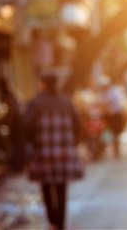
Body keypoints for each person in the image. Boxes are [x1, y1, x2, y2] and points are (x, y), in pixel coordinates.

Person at [24, 73, 84, 230]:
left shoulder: (36, 103)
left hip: (43, 153)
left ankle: (53, 222)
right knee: (61, 188)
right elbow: (78, 124)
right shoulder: (66, 101)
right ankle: (61, 223)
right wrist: (71, 142)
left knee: (46, 188)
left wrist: (35, 142)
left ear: (43, 83)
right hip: (64, 154)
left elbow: (27, 126)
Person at [0, 78, 25, 172]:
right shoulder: (11, 94)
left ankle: (17, 165)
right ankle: (18, 165)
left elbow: (11, 112)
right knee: (17, 145)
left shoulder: (8, 96)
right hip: (17, 123)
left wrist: (8, 123)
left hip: (16, 123)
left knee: (17, 145)